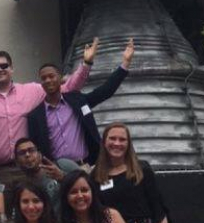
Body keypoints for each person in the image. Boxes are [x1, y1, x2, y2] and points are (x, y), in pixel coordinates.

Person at [0, 38, 100, 183]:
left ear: (12, 68)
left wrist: (86, 64)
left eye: (4, 65)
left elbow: (68, 88)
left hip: (28, 170)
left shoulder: (32, 91)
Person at [26, 39, 135, 169]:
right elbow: (35, 148)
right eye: (43, 78)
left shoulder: (77, 101)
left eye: (51, 76)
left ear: (60, 78)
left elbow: (105, 91)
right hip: (56, 170)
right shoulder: (35, 116)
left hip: (86, 166)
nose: (48, 80)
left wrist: (125, 64)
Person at [9, 136, 64, 217]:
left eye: (31, 150)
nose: (27, 155)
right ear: (17, 161)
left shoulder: (61, 167)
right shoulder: (18, 186)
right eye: (22, 153)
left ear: (40, 154)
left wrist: (63, 178)